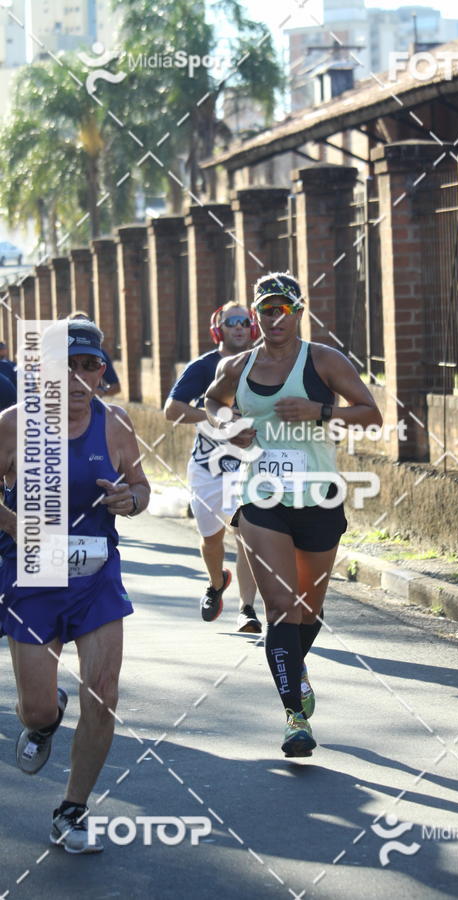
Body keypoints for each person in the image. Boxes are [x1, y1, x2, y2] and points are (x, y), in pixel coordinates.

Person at [205, 273, 382, 757]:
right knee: (281, 609)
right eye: (266, 310)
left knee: (307, 611)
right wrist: (229, 428)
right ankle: (294, 718)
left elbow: (371, 413)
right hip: (261, 499)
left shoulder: (324, 361)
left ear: (298, 312)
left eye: (283, 309)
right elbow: (212, 404)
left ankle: (294, 664)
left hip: (319, 499)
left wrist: (320, 413)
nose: (273, 318)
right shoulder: (238, 366)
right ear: (256, 314)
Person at [0, 319, 150, 853]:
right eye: (67, 364)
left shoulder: (115, 424)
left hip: (96, 575)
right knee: (37, 709)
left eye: (90, 365)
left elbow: (140, 485)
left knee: (104, 695)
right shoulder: (15, 424)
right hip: (34, 575)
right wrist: (13, 522)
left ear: (102, 373)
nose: (79, 375)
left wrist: (130, 500)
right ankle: (44, 722)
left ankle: (73, 809)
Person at [164, 303, 261, 632]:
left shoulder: (264, 364)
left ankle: (247, 609)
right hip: (206, 466)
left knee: (245, 532)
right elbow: (171, 410)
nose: (239, 327)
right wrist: (213, 415)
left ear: (253, 327)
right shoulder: (203, 367)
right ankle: (216, 582)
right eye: (231, 322)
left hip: (246, 466)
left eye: (245, 322)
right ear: (217, 329)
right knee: (211, 537)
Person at [67, 312, 120, 396]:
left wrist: (102, 391)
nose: (80, 376)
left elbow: (116, 387)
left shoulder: (99, 354)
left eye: (90, 365)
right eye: (69, 365)